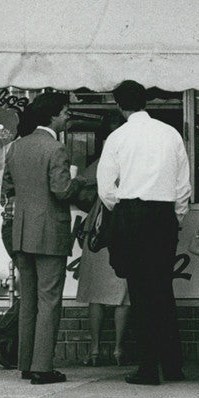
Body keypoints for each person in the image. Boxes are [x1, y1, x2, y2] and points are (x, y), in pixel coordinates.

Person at [97, 80, 190, 386]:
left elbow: (106, 190)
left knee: (139, 293)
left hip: (131, 214)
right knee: (163, 290)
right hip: (162, 216)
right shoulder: (170, 134)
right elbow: (182, 185)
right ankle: (173, 365)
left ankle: (148, 367)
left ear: (119, 104)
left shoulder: (117, 137)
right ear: (145, 101)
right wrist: (175, 216)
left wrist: (121, 213)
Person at [1, 92, 84, 385]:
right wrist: (81, 181)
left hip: (22, 232)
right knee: (50, 300)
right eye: (65, 112)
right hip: (49, 231)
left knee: (29, 300)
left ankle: (26, 362)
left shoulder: (15, 148)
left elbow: (8, 188)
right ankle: (43, 367)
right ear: (52, 116)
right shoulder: (56, 148)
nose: (67, 117)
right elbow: (61, 190)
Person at [74, 115, 130, 367]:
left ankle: (95, 350)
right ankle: (119, 350)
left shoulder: (101, 162)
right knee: (123, 295)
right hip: (126, 227)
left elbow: (77, 186)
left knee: (96, 294)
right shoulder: (136, 160)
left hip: (98, 230)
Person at [0, 108, 37, 370]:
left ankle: (12, 345)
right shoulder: (26, 150)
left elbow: (6, 190)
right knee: (33, 289)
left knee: (31, 287)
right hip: (22, 226)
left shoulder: (14, 151)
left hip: (13, 226)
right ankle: (0, 334)